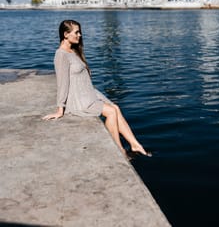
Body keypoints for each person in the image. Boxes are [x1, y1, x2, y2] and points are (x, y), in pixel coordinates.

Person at [43, 20, 151, 158]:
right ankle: (121, 151)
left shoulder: (73, 51)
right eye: (76, 32)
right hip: (79, 101)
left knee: (116, 107)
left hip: (90, 94)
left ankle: (135, 145)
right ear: (65, 34)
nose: (80, 35)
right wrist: (60, 109)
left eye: (79, 32)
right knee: (111, 112)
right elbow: (62, 83)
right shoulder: (61, 55)